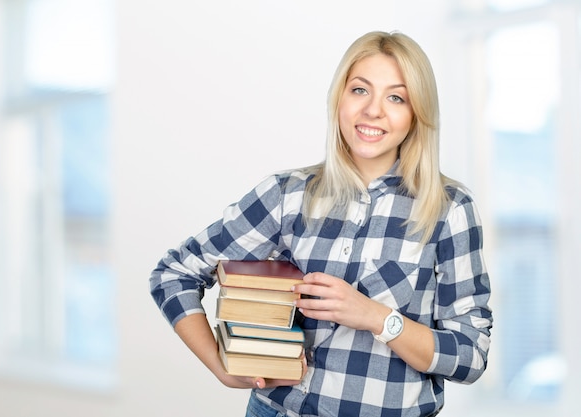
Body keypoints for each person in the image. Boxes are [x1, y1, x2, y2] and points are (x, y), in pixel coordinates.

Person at [150, 30, 492, 417]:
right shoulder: (287, 195)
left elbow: (470, 355)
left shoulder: (449, 210)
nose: (373, 110)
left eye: (396, 97)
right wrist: (220, 366)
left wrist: (376, 317)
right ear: (340, 98)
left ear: (417, 115)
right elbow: (173, 273)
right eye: (360, 90)